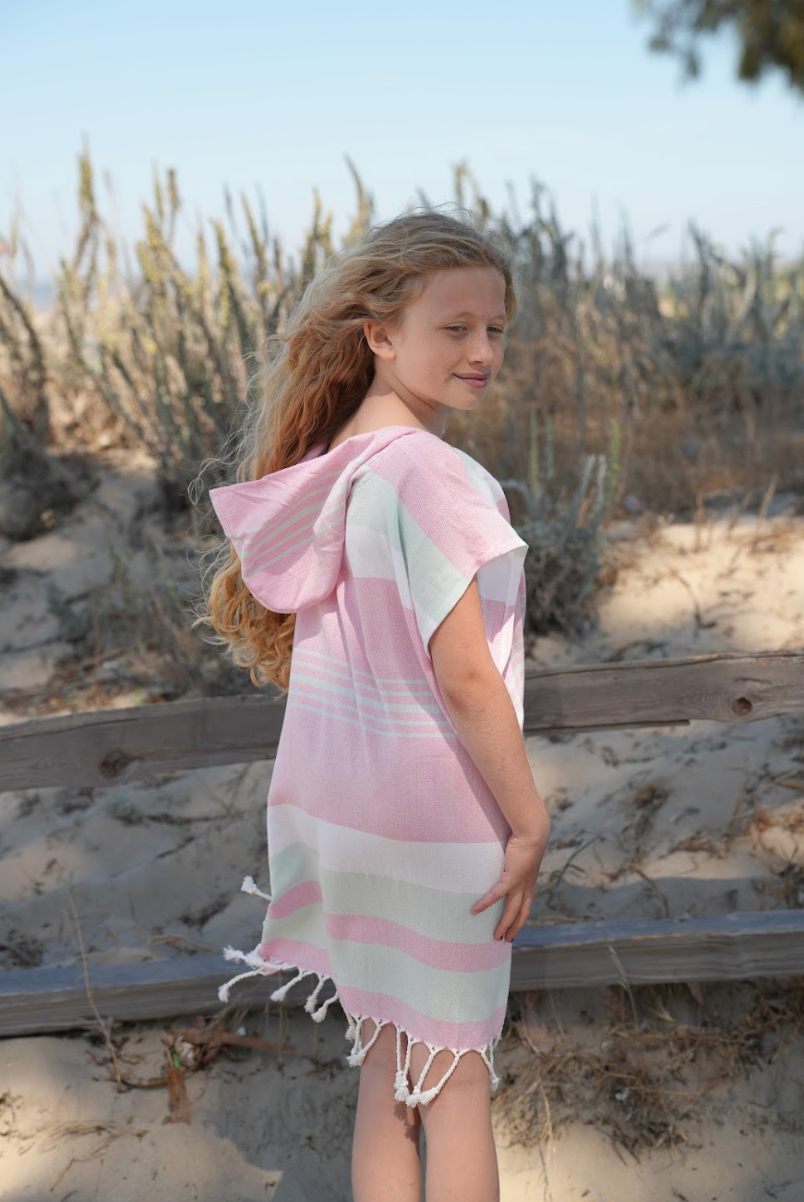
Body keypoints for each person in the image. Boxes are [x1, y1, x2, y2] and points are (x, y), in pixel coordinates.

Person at [199, 208, 551, 1202]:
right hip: (437, 824)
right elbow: (466, 676)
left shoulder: (338, 470)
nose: (483, 350)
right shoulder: (433, 477)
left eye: (496, 328)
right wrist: (528, 820)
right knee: (457, 1084)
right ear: (381, 335)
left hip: (343, 821)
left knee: (391, 1079)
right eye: (456, 327)